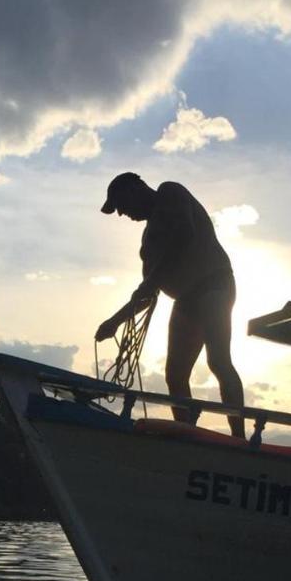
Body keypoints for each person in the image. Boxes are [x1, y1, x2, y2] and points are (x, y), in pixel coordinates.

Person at [95, 172, 246, 438]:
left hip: (214, 286)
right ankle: (187, 434)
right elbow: (146, 294)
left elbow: (184, 235)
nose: (122, 213)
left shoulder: (170, 192)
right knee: (174, 375)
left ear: (136, 188)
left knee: (218, 361)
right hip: (185, 300)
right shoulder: (148, 242)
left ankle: (239, 438)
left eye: (121, 204)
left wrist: (152, 280)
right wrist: (114, 322)